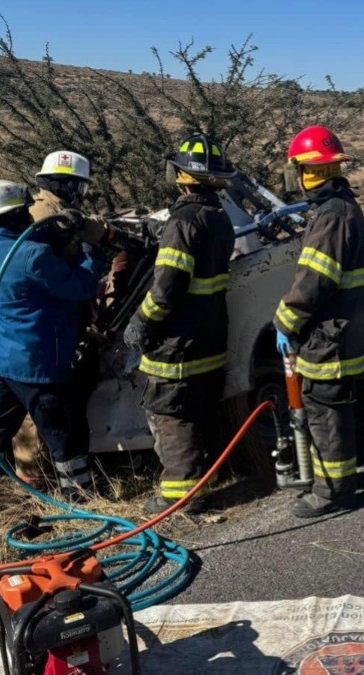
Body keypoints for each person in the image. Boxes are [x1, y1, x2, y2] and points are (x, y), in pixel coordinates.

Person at [0, 180, 105, 514]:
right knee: (62, 436)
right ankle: (79, 503)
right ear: (12, 217)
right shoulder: (32, 255)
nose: (28, 215)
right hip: (37, 365)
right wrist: (93, 251)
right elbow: (81, 286)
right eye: (23, 211)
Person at [123, 133, 237, 515]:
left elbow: (166, 289)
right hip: (210, 335)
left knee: (172, 414)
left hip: (178, 343)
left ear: (183, 177)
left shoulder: (183, 223)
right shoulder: (219, 219)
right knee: (199, 409)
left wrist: (140, 323)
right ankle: (205, 478)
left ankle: (180, 496)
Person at [273, 126, 364, 518]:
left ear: (304, 171)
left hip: (331, 336)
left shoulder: (333, 216)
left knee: (325, 412)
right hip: (338, 331)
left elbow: (315, 281)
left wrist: (284, 321)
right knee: (326, 410)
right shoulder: (341, 209)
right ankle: (332, 484)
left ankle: (333, 492)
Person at [10, 151, 105, 489]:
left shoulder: (38, 207)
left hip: (32, 320)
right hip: (47, 321)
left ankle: (36, 472)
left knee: (39, 402)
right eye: (79, 187)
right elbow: (67, 275)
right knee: (44, 405)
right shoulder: (53, 218)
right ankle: (38, 479)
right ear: (70, 185)